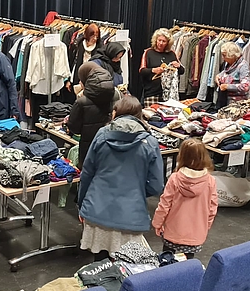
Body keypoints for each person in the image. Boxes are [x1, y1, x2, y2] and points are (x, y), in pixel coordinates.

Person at [77, 96, 164, 261]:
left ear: (115, 113)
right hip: (130, 216)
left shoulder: (102, 135)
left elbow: (87, 173)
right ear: (140, 115)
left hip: (97, 209)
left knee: (99, 268)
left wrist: (82, 204)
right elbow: (156, 184)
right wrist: (137, 191)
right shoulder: (150, 142)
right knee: (127, 266)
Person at [151, 139, 218, 259]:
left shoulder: (175, 179)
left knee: (166, 260)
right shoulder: (210, 181)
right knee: (188, 263)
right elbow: (212, 208)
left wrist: (157, 223)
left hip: (173, 232)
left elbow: (164, 204)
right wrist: (205, 226)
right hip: (195, 234)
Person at [67, 62, 115, 170]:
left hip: (87, 148)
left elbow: (74, 128)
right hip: (108, 145)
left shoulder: (82, 102)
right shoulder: (112, 96)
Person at [139, 28, 185, 106]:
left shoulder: (172, 54)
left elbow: (182, 71)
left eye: (164, 41)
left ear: (168, 43)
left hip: (169, 95)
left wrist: (178, 66)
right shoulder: (148, 52)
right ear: (155, 40)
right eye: (159, 40)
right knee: (152, 117)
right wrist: (153, 70)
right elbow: (142, 71)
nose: (160, 43)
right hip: (152, 94)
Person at [215, 42, 250, 108]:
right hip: (224, 100)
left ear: (231, 55)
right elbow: (226, 73)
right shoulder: (229, 63)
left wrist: (227, 86)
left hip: (235, 105)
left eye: (224, 55)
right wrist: (218, 76)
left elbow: (245, 86)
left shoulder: (242, 66)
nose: (223, 58)